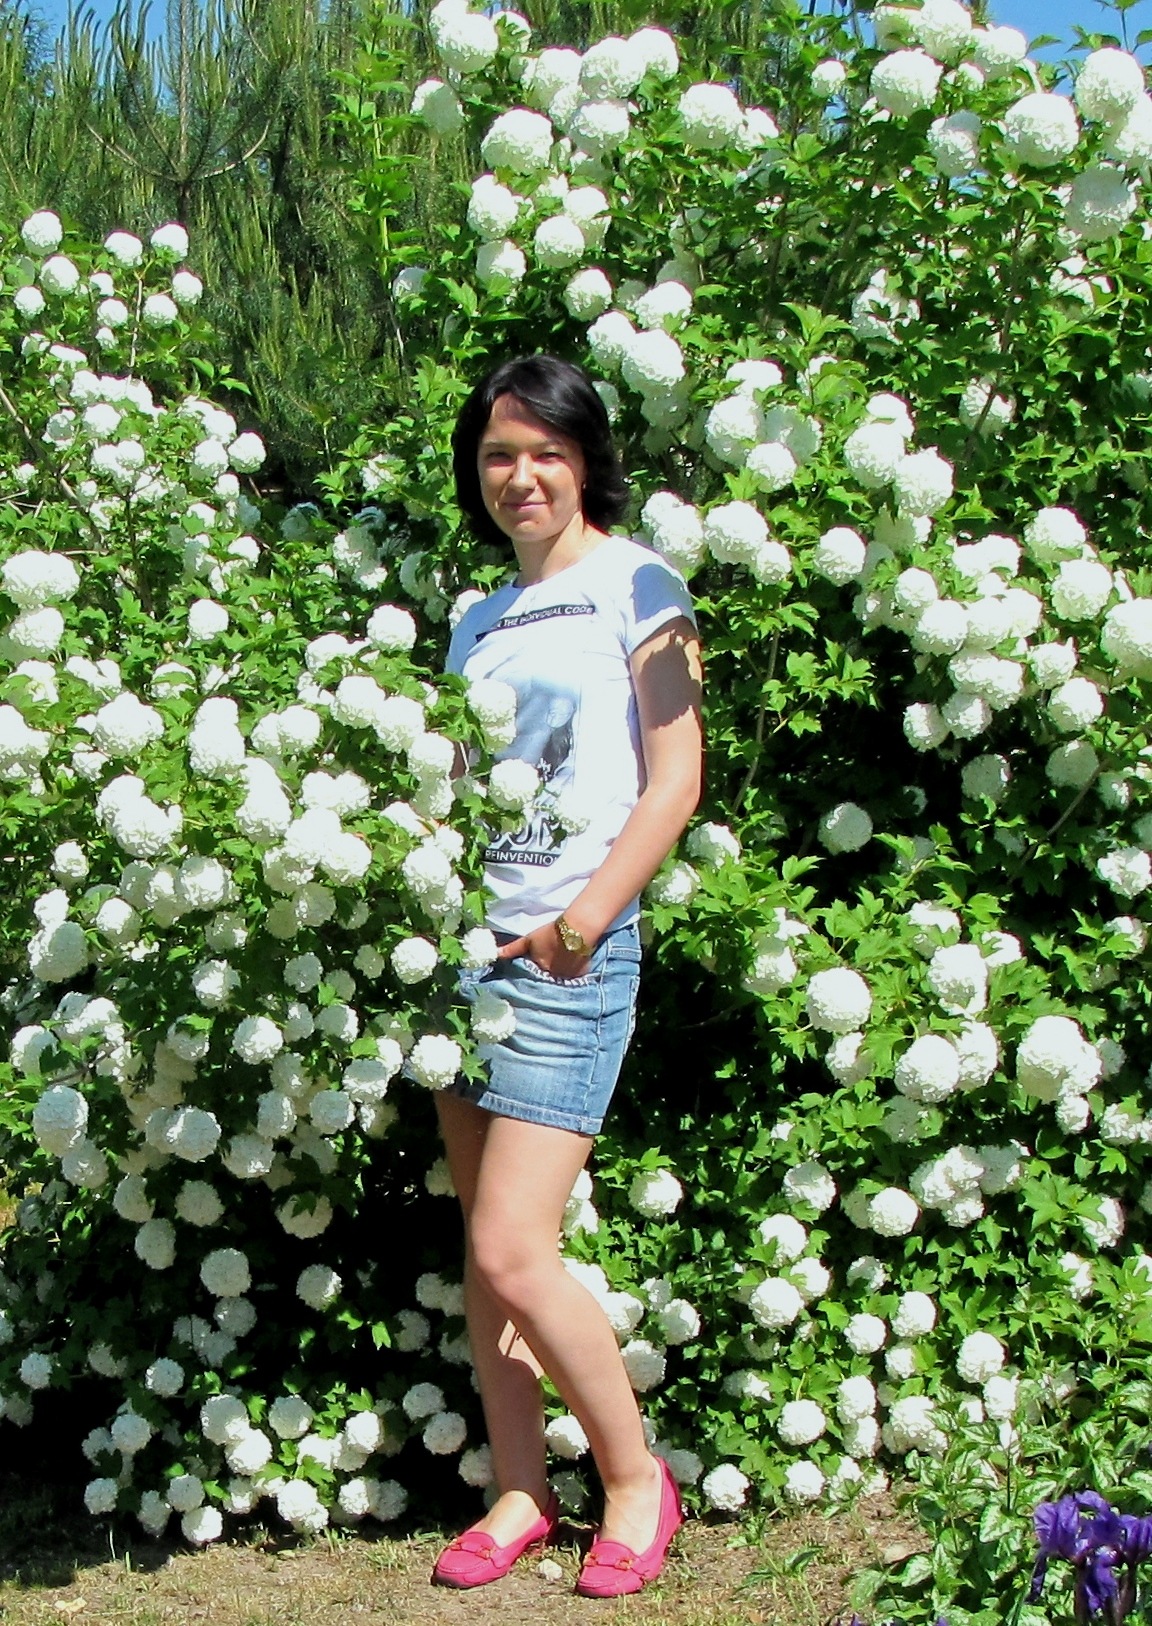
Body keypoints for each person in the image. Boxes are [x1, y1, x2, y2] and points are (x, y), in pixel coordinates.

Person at [431, 354, 703, 1599]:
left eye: (546, 451)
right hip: (464, 960)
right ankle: (520, 1488)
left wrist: (582, 924)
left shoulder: (639, 586)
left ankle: (637, 1483)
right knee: (483, 1255)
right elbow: (447, 787)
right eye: (499, 454)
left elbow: (675, 777)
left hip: (567, 956)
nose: (522, 475)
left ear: (586, 460)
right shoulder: (477, 619)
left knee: (515, 1246)